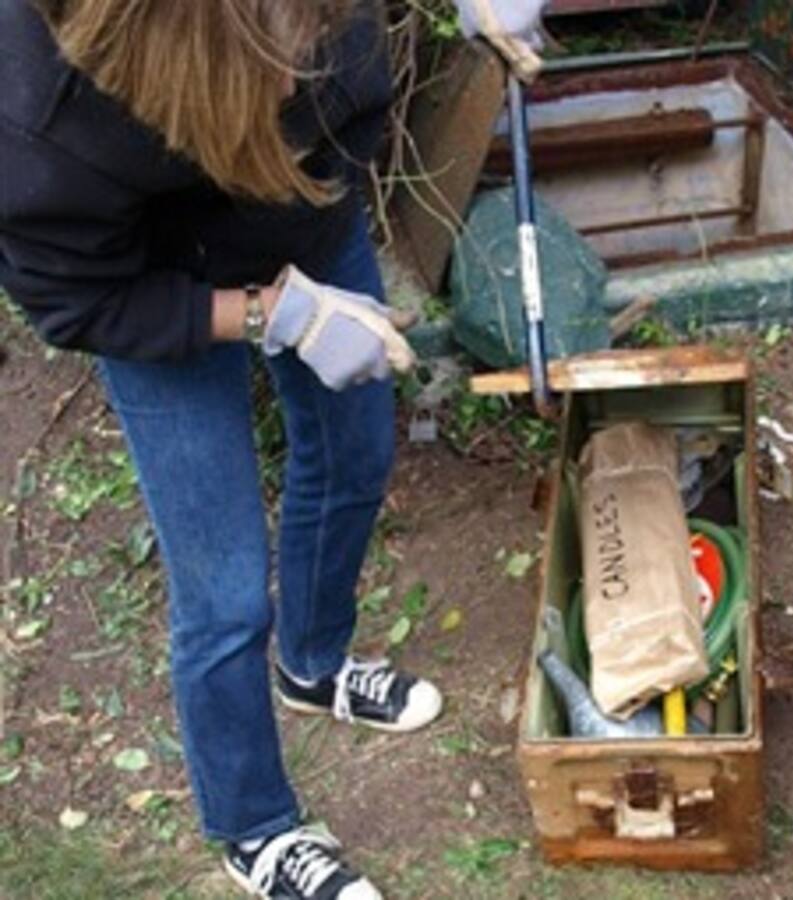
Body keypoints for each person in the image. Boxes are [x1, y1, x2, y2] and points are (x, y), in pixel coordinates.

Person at [0, 1, 542, 898]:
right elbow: (82, 306)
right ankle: (254, 825)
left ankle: (315, 666)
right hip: (160, 290)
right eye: (276, 57)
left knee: (357, 452)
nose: (303, 76)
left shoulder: (302, 35)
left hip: (305, 214)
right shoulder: (38, 126)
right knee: (223, 594)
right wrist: (270, 315)